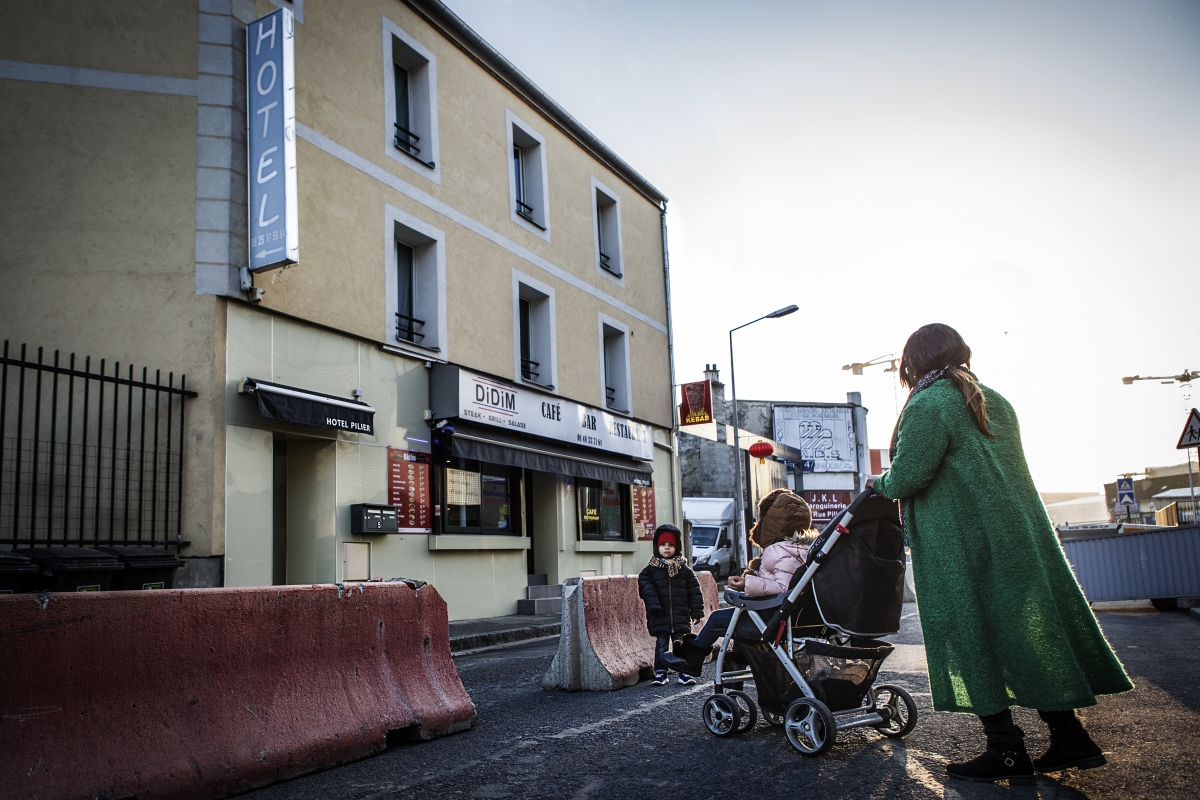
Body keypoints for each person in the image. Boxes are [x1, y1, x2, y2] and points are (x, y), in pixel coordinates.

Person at [869, 323, 1132, 785]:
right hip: (1018, 539)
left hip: (965, 546)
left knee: (972, 634)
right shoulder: (991, 398)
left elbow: (908, 477)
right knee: (1024, 635)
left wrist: (880, 484)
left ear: (913, 362)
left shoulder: (930, 403)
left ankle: (1006, 750)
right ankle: (1070, 736)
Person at [666, 489, 816, 676]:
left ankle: (692, 660)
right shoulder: (806, 549)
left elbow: (783, 589)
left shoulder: (776, 550)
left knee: (717, 619)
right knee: (739, 626)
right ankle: (734, 668)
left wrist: (747, 585)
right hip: (791, 619)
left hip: (771, 619)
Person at [638, 523, 705, 685]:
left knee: (681, 645)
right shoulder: (649, 571)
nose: (666, 548)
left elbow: (695, 592)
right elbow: (647, 590)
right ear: (657, 547)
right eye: (662, 545)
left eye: (670, 545)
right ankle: (661, 672)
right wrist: (654, 606)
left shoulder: (684, 570)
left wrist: (696, 612)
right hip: (659, 615)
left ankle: (684, 673)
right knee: (661, 644)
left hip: (680, 615)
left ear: (677, 547)